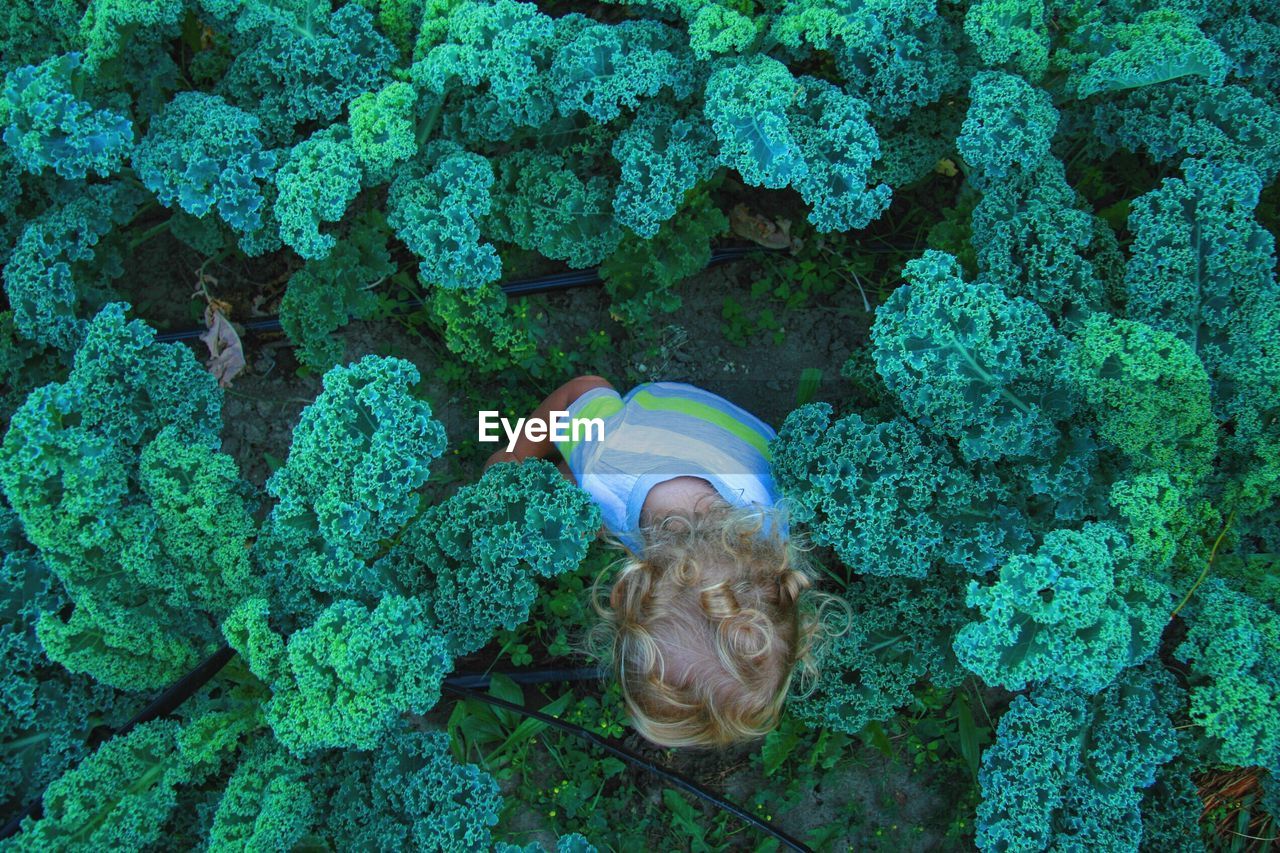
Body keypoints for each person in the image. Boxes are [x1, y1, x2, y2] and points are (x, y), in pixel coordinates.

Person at [484, 375, 848, 749]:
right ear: (623, 593)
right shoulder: (607, 464)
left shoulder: (770, 532)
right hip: (656, 412)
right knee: (564, 497)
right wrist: (515, 455)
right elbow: (581, 390)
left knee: (569, 506)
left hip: (746, 438)